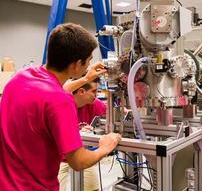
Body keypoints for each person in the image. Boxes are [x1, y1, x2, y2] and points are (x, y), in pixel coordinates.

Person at [0, 23, 121, 190]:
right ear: (77, 64)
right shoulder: (62, 101)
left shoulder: (20, 77)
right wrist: (104, 148)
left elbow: (51, 93)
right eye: (88, 61)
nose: (88, 66)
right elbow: (78, 161)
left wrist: (86, 79)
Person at [58, 77, 106, 191]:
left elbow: (114, 112)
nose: (96, 95)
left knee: (93, 188)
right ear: (81, 91)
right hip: (59, 159)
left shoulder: (94, 103)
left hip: (81, 155)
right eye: (94, 91)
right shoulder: (62, 105)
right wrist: (77, 133)